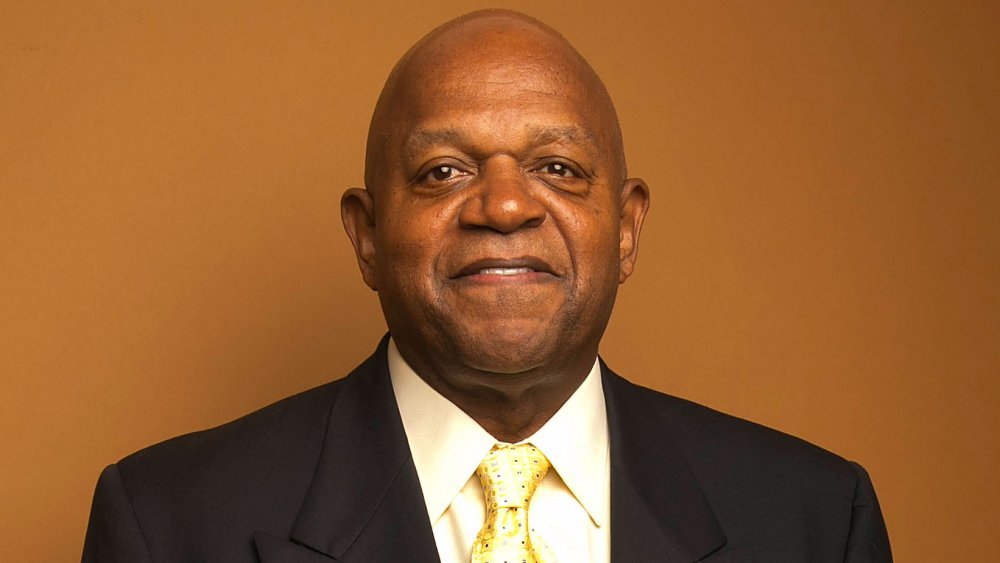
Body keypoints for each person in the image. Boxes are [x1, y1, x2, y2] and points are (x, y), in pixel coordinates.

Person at [82, 9, 892, 563]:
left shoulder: (814, 518)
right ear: (366, 234)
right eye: (443, 171)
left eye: (558, 168)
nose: (505, 205)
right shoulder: (169, 523)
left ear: (627, 228)